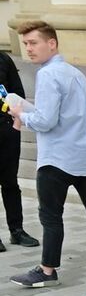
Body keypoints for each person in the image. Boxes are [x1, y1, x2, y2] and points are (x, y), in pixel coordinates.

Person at [8, 21, 86, 288]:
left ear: (52, 43)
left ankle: (47, 271)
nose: (28, 49)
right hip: (84, 156)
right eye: (25, 44)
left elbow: (46, 120)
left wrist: (21, 114)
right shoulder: (75, 73)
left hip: (57, 157)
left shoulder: (48, 75)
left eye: (33, 43)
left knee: (50, 216)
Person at [0, 48, 39, 252]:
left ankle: (17, 230)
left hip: (6, 128)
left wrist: (16, 124)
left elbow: (17, 95)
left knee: (10, 182)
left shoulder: (3, 59)